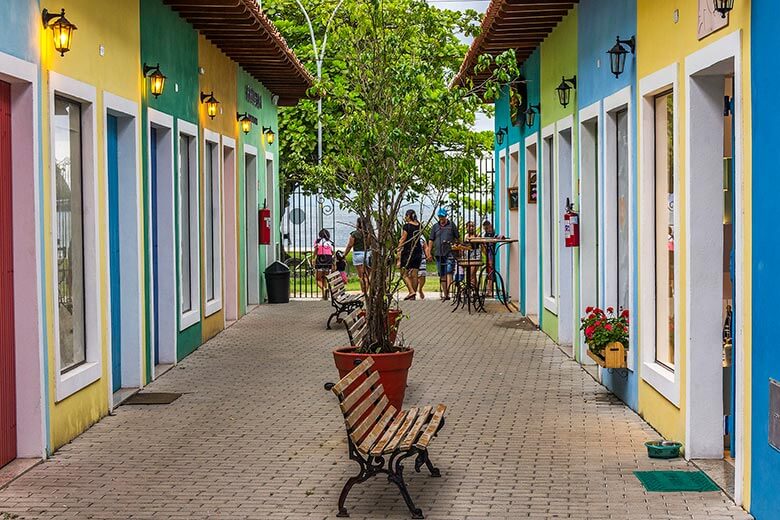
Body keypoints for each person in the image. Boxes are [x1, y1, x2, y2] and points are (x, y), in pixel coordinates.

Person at [427, 208, 459, 300]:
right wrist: (429, 252)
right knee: (442, 273)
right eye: (440, 217)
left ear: (446, 216)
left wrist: (457, 248)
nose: (441, 219)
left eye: (442, 217)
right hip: (438, 253)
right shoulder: (435, 227)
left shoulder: (451, 225)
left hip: (450, 252)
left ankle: (449, 292)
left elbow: (457, 238)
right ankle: (445, 294)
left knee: (449, 271)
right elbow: (431, 240)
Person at [397, 209, 423, 300]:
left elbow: (403, 238)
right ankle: (413, 294)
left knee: (403, 273)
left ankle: (411, 291)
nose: (405, 217)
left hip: (408, 251)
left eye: (406, 215)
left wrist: (398, 249)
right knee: (415, 274)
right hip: (418, 251)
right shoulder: (419, 226)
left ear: (408, 216)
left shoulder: (407, 226)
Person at [344, 217, 371, 294]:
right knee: (367, 276)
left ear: (358, 224)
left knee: (361, 276)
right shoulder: (369, 234)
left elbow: (350, 245)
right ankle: (367, 291)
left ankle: (364, 292)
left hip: (358, 255)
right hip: (367, 254)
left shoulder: (354, 234)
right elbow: (370, 244)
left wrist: (344, 255)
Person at [314, 228, 334, 299]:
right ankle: (324, 295)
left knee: (318, 279)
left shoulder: (318, 241)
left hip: (320, 259)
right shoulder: (330, 242)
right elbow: (332, 252)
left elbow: (316, 250)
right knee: (325, 278)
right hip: (328, 260)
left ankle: (324, 289)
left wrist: (313, 258)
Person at [417, 235, 427, 299]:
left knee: (422, 275)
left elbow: (425, 247)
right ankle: (412, 292)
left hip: (421, 258)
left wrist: (428, 255)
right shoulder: (407, 234)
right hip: (410, 259)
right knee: (412, 276)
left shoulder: (422, 237)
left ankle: (420, 289)